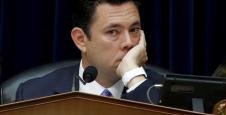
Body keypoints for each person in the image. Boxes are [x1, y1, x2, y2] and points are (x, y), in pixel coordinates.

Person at [15, 0, 164, 104]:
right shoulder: (34, 94)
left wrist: (134, 77)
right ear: (81, 39)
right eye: (113, 32)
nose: (129, 42)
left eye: (134, 30)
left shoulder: (167, 92)